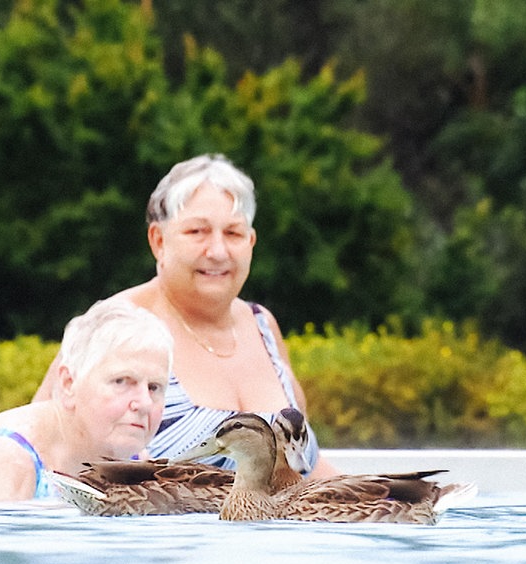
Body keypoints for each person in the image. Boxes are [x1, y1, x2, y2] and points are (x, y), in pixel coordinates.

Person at [36, 153, 337, 477]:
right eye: (197, 232)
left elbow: (309, 468)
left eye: (233, 234)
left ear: (251, 241)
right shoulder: (117, 324)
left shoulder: (262, 326)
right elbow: (37, 446)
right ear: (158, 241)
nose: (218, 251)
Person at [0, 299, 173, 503]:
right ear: (68, 384)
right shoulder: (2, 461)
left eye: (154, 387)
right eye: (122, 381)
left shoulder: (131, 461)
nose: (144, 403)